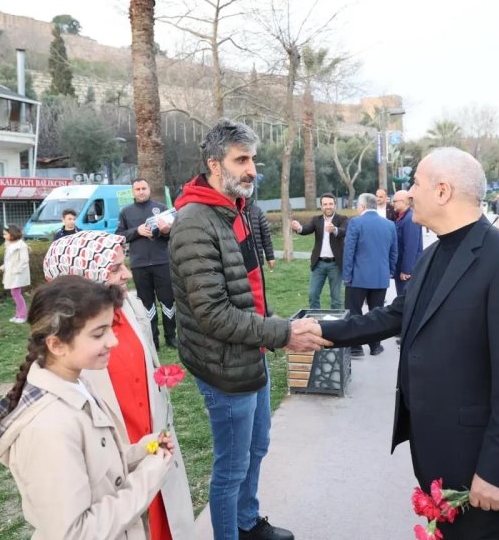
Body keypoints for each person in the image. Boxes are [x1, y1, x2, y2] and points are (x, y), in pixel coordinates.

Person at [315, 148, 499, 540]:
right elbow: (395, 315)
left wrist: (497, 469)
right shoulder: (431, 255)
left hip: (478, 457)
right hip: (433, 447)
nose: (408, 193)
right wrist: (325, 332)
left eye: (416, 184)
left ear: (442, 191)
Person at [168, 119, 330, 540]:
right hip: (223, 367)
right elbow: (214, 314)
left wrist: (270, 330)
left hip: (250, 353)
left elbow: (249, 289)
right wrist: (283, 333)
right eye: (241, 159)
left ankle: (247, 523)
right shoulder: (194, 222)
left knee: (256, 449)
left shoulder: (234, 211)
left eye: (253, 159)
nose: (251, 169)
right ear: (213, 164)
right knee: (231, 467)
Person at [0, 275, 175, 539]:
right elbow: (75, 533)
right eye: (98, 333)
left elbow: (92, 468)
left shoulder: (75, 383)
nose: (113, 341)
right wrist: (151, 473)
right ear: (56, 344)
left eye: (110, 328)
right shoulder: (49, 428)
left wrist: (141, 451)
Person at [43, 230, 195, 539]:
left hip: (151, 444)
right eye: (114, 269)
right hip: (112, 461)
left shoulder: (132, 306)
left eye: (122, 265)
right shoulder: (63, 339)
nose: (126, 274)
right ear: (82, 277)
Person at [116, 179, 178, 349]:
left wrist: (166, 231)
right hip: (139, 264)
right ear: (133, 192)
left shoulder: (161, 209)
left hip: (162, 261)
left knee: (167, 300)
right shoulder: (126, 212)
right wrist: (137, 231)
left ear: (149, 189)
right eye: (137, 189)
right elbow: (119, 236)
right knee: (146, 303)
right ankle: (153, 340)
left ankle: (171, 336)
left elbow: (173, 234)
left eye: (144, 188)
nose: (141, 192)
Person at [342, 192, 397, 356]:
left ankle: (356, 347)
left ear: (363, 206)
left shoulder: (355, 223)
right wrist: (390, 271)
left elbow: (349, 251)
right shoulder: (389, 225)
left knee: (354, 312)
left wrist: (347, 275)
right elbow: (394, 252)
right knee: (377, 313)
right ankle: (375, 346)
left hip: (358, 277)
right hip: (381, 277)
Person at [290, 193, 349, 310]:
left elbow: (344, 230)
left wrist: (334, 229)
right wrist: (299, 228)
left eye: (331, 204)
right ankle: (316, 321)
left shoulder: (342, 219)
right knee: (313, 295)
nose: (328, 206)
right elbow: (307, 229)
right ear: (321, 207)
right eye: (325, 204)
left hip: (335, 264)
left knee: (336, 298)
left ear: (335, 205)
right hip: (319, 264)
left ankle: (336, 324)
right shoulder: (316, 220)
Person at [0, 224, 31, 324]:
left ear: (12, 234)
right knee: (15, 294)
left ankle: (22, 315)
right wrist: (2, 267)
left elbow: (24, 260)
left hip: (17, 274)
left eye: (5, 234)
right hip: (12, 273)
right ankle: (19, 314)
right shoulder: (9, 245)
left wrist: (16, 270)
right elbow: (8, 261)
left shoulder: (21, 246)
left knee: (16, 294)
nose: (4, 236)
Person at [391, 190, 423, 295]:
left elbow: (411, 247)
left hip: (407, 271)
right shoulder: (402, 217)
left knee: (405, 300)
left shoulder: (410, 218)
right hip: (401, 267)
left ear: (404, 202)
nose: (392, 203)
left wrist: (406, 270)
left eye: (395, 201)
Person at [248, 202, 276, 271]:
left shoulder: (257, 210)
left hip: (256, 259)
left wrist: (270, 256)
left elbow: (266, 235)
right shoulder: (231, 209)